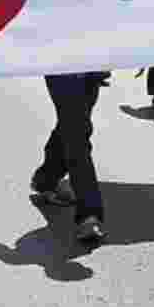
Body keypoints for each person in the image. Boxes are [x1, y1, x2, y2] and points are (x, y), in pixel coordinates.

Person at [30, 72, 109, 245]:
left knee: (74, 125)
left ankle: (46, 179)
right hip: (62, 68)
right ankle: (89, 216)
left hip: (92, 67)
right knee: (77, 135)